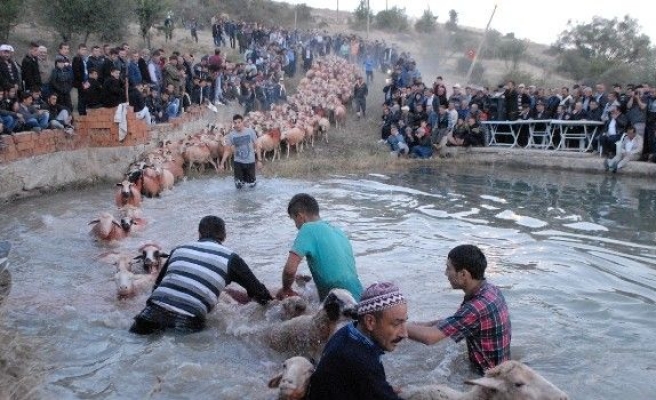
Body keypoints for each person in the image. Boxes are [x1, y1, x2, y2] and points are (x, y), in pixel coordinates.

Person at [129, 215, 273, 334]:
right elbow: (258, 292)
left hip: (148, 315)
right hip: (187, 321)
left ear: (199, 234)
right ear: (224, 236)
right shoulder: (231, 258)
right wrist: (273, 305)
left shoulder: (179, 249)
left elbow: (156, 286)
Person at [407, 244, 511, 375]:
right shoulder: (491, 290)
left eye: (448, 268)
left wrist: (396, 326)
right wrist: (421, 325)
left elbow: (430, 338)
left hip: (489, 377)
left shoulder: (474, 308)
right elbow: (458, 320)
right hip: (503, 368)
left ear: (463, 274)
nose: (446, 273)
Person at [307, 282, 407, 400]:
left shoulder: (346, 332)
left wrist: (380, 387)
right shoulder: (360, 361)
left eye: (404, 322)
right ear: (370, 322)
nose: (404, 334)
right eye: (396, 324)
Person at [276, 193, 363, 302]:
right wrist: (310, 282)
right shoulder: (338, 231)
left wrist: (286, 289)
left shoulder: (307, 229)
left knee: (277, 301)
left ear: (300, 216)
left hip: (340, 306)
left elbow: (289, 270)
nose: (296, 226)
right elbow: (338, 273)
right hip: (360, 297)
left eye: (294, 220)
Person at [221, 113, 260, 189]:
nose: (237, 125)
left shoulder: (250, 132)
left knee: (252, 185)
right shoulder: (231, 135)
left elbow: (257, 145)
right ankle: (239, 200)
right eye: (235, 123)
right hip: (238, 162)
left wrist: (259, 160)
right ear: (233, 124)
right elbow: (227, 150)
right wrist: (222, 163)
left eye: (239, 122)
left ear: (242, 122)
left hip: (250, 162)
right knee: (239, 185)